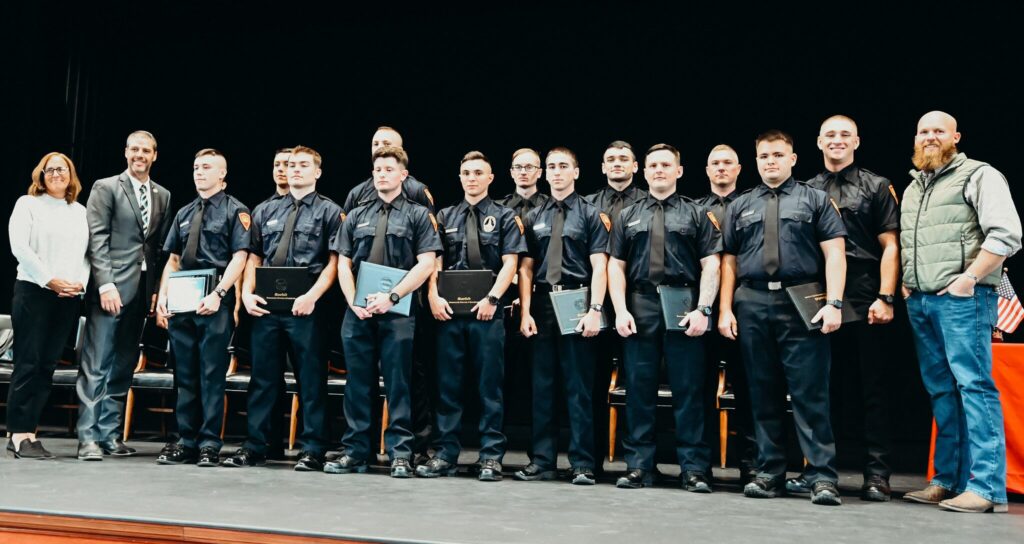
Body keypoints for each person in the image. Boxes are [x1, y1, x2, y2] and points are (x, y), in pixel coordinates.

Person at [718, 130, 847, 505]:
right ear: (756, 161)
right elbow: (729, 262)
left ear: (792, 159)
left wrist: (834, 303)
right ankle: (770, 472)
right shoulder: (741, 205)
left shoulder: (815, 199)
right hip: (753, 301)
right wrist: (725, 309)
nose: (770, 161)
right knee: (762, 392)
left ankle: (822, 476)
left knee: (810, 393)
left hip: (801, 300)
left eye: (777, 154)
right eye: (764, 156)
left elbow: (835, 254)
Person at [900, 111, 1021, 514]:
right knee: (941, 390)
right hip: (922, 301)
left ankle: (986, 488)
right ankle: (946, 481)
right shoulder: (915, 186)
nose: (930, 136)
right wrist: (907, 281)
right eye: (923, 131)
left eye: (939, 130)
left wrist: (969, 278)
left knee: (974, 386)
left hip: (963, 300)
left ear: (956, 137)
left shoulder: (979, 175)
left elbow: (1007, 234)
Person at [787, 115, 900, 501]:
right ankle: (819, 471)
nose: (837, 140)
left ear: (857, 141)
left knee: (872, 389)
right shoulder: (806, 189)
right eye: (830, 135)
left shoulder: (876, 185)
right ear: (819, 142)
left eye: (844, 134)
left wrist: (886, 296)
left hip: (865, 294)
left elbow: (891, 246)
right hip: (818, 297)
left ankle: (877, 473)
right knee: (818, 389)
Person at [607, 144, 721, 491]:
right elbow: (616, 266)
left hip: (684, 303)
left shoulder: (697, 213)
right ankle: (639, 466)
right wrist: (621, 309)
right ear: (644, 171)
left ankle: (694, 468)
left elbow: (711, 264)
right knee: (639, 389)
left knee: (690, 390)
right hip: (641, 303)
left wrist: (704, 309)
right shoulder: (628, 215)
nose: (659, 170)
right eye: (653, 165)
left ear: (679, 171)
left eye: (666, 165)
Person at [223, 145, 341, 471]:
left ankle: (313, 449)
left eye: (303, 165)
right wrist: (247, 294)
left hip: (307, 307)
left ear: (317, 172)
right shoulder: (264, 210)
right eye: (291, 165)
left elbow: (334, 262)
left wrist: (313, 296)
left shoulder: (330, 211)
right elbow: (254, 256)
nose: (295, 169)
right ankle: (257, 445)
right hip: (267, 307)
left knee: (311, 380)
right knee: (263, 379)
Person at [327, 145, 441, 478]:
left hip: (397, 310)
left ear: (403, 175)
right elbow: (343, 263)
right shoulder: (356, 214)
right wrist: (353, 301)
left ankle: (400, 453)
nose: (382, 175)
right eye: (377, 170)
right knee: (357, 383)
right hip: (359, 312)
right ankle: (356, 451)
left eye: (389, 169)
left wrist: (392, 296)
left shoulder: (418, 215)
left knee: (398, 383)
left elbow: (426, 263)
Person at [419, 151, 525, 481]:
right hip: (449, 314)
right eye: (466, 173)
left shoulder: (506, 216)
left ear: (491, 178)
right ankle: (445, 454)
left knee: (489, 387)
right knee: (447, 387)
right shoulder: (445, 216)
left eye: (479, 172)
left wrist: (494, 298)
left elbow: (511, 263)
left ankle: (491, 456)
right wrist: (433, 295)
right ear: (460, 177)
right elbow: (434, 260)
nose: (472, 178)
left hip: (487, 314)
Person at [515, 147, 610, 485]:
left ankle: (583, 462)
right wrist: (526, 311)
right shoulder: (534, 216)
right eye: (552, 166)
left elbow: (600, 266)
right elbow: (526, 269)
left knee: (579, 387)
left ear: (576, 172)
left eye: (563, 166)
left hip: (577, 301)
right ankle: (542, 460)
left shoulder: (591, 214)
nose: (556, 172)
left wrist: (595, 310)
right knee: (542, 387)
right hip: (542, 302)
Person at [76, 130, 172, 461]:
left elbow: (157, 248)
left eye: (146, 150)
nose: (139, 155)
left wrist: (156, 290)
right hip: (111, 288)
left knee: (123, 363)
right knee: (97, 362)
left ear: (154, 155)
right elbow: (97, 238)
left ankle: (109, 434)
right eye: (134, 149)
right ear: (126, 152)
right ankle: (88, 437)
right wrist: (105, 284)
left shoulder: (162, 194)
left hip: (141, 290)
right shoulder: (106, 187)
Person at [154, 149, 250, 467]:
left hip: (214, 300)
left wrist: (220, 294)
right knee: (185, 374)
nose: (199, 172)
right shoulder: (184, 212)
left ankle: (209, 442)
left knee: (211, 375)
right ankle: (186, 441)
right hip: (183, 300)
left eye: (206, 167)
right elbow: (173, 260)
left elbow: (240, 257)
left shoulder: (235, 210)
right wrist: (163, 296)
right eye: (196, 167)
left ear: (222, 174)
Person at [5, 152, 89, 459]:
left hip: (67, 297)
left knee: (46, 366)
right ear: (41, 175)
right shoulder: (28, 204)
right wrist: (49, 280)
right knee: (28, 362)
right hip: (34, 291)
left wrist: (80, 283)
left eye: (62, 169)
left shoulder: (79, 211)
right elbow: (20, 247)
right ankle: (18, 434)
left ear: (70, 175)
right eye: (50, 169)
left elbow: (86, 254)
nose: (56, 174)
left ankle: (30, 432)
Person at [585, 140, 648, 472]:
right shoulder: (588, 205)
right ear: (602, 167)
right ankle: (591, 462)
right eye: (611, 159)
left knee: (639, 382)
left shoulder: (648, 203)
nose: (617, 163)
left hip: (636, 302)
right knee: (592, 384)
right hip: (594, 304)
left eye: (624, 158)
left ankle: (639, 462)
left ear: (636, 166)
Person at [697, 144, 757, 482]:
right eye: (715, 163)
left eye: (727, 163)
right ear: (707, 170)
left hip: (744, 308)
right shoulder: (694, 209)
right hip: (701, 311)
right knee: (700, 388)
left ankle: (750, 464)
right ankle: (700, 465)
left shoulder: (752, 204)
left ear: (738, 169)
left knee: (748, 388)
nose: (721, 168)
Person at [497, 148, 550, 218]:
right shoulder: (497, 208)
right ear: (512, 173)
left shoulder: (550, 207)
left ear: (539, 173)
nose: (523, 172)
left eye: (529, 167)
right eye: (518, 167)